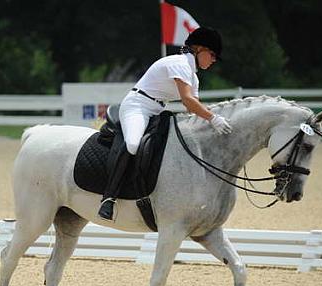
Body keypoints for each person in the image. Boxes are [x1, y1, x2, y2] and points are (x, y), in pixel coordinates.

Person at [98, 26, 232, 221]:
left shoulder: (193, 76)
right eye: (212, 55)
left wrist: (211, 125)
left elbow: (192, 109)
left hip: (157, 110)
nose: (213, 60)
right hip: (138, 105)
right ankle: (109, 197)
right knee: (134, 144)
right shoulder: (178, 63)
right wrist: (213, 118)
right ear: (199, 49)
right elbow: (187, 100)